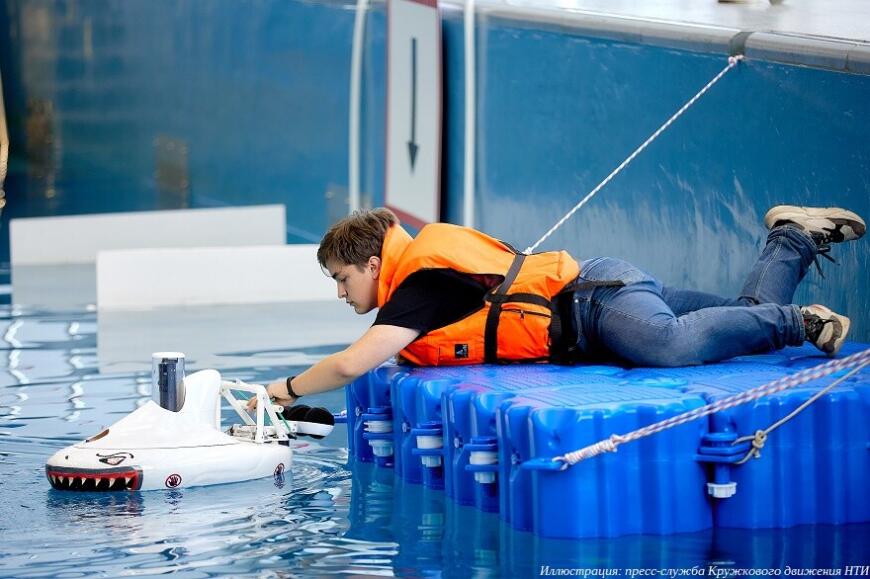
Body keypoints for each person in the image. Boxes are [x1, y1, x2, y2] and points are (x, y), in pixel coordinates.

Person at [248, 204, 865, 411]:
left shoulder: (422, 282)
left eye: (342, 278)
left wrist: (285, 389)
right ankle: (791, 237)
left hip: (598, 307)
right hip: (604, 293)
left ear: (373, 265)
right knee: (739, 320)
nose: (341, 293)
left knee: (672, 347)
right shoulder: (418, 273)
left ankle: (800, 320)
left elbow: (356, 365)